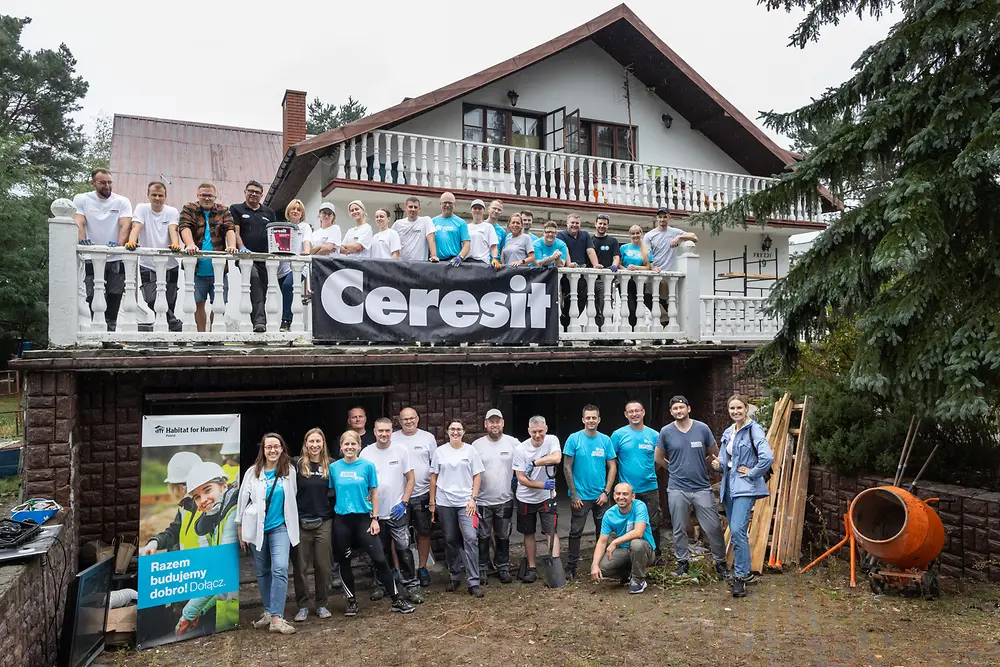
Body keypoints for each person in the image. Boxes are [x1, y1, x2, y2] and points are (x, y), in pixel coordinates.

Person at [329, 431, 416, 615]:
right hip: (342, 521)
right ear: (341, 447)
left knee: (380, 559)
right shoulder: (334, 468)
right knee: (344, 562)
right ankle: (351, 601)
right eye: (346, 445)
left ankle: (396, 599)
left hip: (364, 519)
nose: (350, 447)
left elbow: (374, 492)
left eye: (353, 444)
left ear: (359, 446)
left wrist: (375, 518)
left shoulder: (367, 466)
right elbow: (330, 492)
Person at [654, 396, 729, 579]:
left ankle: (721, 564)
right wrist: (672, 468)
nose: (678, 411)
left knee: (712, 527)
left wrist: (702, 463)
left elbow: (715, 454)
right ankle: (682, 563)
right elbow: (658, 458)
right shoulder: (666, 432)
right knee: (679, 527)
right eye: (675, 409)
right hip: (677, 487)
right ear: (671, 412)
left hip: (701, 487)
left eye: (681, 407)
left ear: (688, 409)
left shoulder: (702, 428)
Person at [236, 433, 300, 635]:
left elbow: (293, 495)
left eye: (276, 446)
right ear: (263, 450)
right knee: (263, 571)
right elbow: (242, 499)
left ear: (282, 449)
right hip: (257, 529)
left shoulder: (289, 470)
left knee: (280, 568)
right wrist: (240, 526)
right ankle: (267, 611)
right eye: (268, 447)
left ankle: (276, 618)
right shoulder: (252, 472)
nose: (272, 450)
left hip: (280, 527)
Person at [714, 394, 773, 598]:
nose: (736, 412)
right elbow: (724, 459)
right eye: (732, 409)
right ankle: (746, 572)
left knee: (738, 529)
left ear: (746, 409)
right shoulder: (729, 431)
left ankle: (740, 577)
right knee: (737, 531)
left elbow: (767, 457)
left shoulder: (754, 429)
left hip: (745, 486)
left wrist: (753, 473)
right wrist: (719, 465)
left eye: (739, 408)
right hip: (728, 485)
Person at [360, 418, 422, 603]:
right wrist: (369, 507)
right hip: (375, 515)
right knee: (379, 552)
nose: (384, 434)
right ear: (374, 431)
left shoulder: (401, 450)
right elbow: (362, 483)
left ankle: (412, 586)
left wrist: (404, 502)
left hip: (397, 511)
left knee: (404, 549)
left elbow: (410, 479)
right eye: (380, 431)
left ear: (391, 431)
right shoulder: (366, 453)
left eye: (387, 430)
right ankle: (382, 585)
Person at [177, 460, 240, 636]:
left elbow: (221, 572)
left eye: (207, 490)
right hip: (225, 609)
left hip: (234, 612)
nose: (203, 500)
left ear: (224, 487)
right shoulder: (212, 520)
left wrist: (188, 614)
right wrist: (200, 609)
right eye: (197, 496)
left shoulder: (231, 514)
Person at [429, 420, 486, 597]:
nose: (455, 432)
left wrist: (473, 498)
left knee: (470, 537)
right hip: (445, 502)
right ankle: (454, 576)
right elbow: (433, 478)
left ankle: (473, 581)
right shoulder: (440, 452)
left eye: (459, 429)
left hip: (465, 502)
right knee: (450, 539)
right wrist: (432, 502)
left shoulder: (470, 451)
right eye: (452, 429)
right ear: (447, 431)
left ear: (464, 432)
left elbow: (477, 476)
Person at [74, 168, 133, 331]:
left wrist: (119, 243)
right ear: (93, 183)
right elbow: (79, 221)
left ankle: (111, 331)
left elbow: (125, 224)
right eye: (102, 183)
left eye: (109, 182)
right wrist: (82, 239)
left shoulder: (122, 201)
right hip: (92, 256)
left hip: (116, 257)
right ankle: (98, 328)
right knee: (93, 294)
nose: (107, 186)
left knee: (115, 294)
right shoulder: (82, 199)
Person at [562, 405, 617, 579]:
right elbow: (566, 467)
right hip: (581, 497)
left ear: (599, 420)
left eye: (594, 418)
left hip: (601, 497)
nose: (591, 421)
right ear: (583, 420)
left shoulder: (605, 440)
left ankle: (601, 564)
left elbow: (612, 466)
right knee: (575, 532)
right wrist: (574, 494)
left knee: (603, 531)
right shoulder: (574, 439)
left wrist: (606, 492)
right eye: (588, 418)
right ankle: (571, 567)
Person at [177, 183, 238, 332]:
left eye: (210, 195)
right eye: (203, 195)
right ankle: (202, 336)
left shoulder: (223, 210)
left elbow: (230, 228)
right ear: (198, 196)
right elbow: (184, 226)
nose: (206, 198)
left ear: (215, 197)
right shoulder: (189, 209)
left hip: (218, 268)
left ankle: (214, 334)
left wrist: (231, 245)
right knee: (198, 303)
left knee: (220, 304)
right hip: (197, 268)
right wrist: (190, 244)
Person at [125, 181, 182, 332]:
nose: (157, 198)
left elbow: (173, 230)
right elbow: (137, 226)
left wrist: (175, 244)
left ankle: (167, 333)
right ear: (148, 195)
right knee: (150, 298)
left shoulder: (171, 211)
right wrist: (131, 241)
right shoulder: (142, 208)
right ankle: (174, 323)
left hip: (170, 264)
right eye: (154, 195)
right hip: (148, 262)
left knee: (169, 301)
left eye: (160, 195)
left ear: (165, 197)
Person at [610, 400, 662, 562]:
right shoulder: (618, 435)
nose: (634, 414)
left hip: (650, 487)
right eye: (631, 411)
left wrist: (649, 472)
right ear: (626, 415)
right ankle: (629, 556)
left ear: (643, 412)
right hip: (627, 490)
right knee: (628, 523)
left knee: (653, 522)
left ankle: (655, 554)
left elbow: (659, 460)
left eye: (637, 411)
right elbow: (611, 460)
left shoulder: (654, 435)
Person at [471, 409, 518, 585]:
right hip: (482, 500)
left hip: (505, 498)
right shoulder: (476, 445)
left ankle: (503, 566)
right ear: (485, 424)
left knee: (503, 535)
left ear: (503, 423)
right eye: (491, 422)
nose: (494, 425)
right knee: (482, 536)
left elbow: (527, 459)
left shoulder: (513, 443)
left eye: (497, 421)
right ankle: (482, 568)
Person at [391, 407, 437, 587]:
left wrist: (433, 497)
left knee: (424, 533)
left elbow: (434, 466)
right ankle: (397, 570)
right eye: (405, 419)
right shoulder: (393, 438)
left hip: (422, 493)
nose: (408, 421)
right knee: (398, 536)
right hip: (399, 497)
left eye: (412, 418)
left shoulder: (428, 438)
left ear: (417, 419)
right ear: (399, 421)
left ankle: (422, 568)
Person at [512, 415, 562, 584]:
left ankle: (554, 566)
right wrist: (542, 485)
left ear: (546, 429)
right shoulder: (520, 449)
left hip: (547, 498)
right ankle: (532, 568)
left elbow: (556, 458)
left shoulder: (551, 440)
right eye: (534, 432)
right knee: (528, 533)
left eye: (541, 431)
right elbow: (521, 479)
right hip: (525, 498)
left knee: (551, 531)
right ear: (528, 431)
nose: (538, 435)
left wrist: (534, 463)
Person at [292, 428, 334, 622]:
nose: (315, 445)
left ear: (323, 443)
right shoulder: (296, 465)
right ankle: (302, 606)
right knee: (300, 566)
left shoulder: (331, 465)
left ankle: (322, 604)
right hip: (300, 521)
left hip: (324, 521)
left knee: (323, 565)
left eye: (318, 441)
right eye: (311, 441)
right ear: (305, 443)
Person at [590, 482, 655, 594]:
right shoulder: (609, 514)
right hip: (625, 551)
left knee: (636, 544)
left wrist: (615, 542)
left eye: (625, 494)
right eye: (618, 494)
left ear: (633, 496)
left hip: (645, 550)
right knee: (602, 567)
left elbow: (638, 532)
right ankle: (628, 574)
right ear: (614, 495)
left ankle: (639, 581)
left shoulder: (640, 506)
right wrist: (594, 564)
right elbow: (602, 542)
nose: (621, 497)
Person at [231, 180, 276, 333]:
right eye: (250, 191)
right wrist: (242, 247)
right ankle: (260, 321)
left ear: (261, 195)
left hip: (265, 258)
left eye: (257, 192)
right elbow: (235, 231)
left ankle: (255, 326)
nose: (253, 194)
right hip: (246, 257)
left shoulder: (269, 212)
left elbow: (274, 234)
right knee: (255, 281)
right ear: (245, 192)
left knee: (262, 290)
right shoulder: (236, 209)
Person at [139, 451, 203, 555]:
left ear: (182, 488)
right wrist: (156, 542)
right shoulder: (185, 506)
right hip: (187, 562)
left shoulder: (206, 508)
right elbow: (174, 532)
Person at [643, 208, 699, 324]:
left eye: (664, 216)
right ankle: (665, 320)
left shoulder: (674, 232)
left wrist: (679, 238)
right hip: (654, 272)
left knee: (663, 301)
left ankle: (664, 330)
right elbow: (646, 253)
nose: (662, 219)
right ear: (657, 218)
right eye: (660, 217)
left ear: (669, 217)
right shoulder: (650, 235)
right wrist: (652, 266)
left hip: (668, 274)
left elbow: (694, 237)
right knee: (647, 298)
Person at [557, 214, 599, 329]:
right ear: (567, 224)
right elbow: (564, 250)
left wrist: (596, 264)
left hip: (582, 273)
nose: (574, 225)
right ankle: (564, 326)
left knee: (582, 299)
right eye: (572, 223)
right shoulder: (561, 235)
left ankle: (570, 324)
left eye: (577, 223)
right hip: (567, 274)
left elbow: (590, 251)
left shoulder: (585, 235)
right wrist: (569, 264)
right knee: (567, 300)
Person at [277, 199, 312, 332]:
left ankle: (285, 321)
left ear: (302, 213)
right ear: (288, 211)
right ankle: (292, 327)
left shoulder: (305, 227)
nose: (296, 211)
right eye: (293, 208)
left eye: (299, 209)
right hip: (282, 268)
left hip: (298, 267)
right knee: (288, 296)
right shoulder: (282, 226)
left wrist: (306, 250)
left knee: (287, 286)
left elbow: (306, 240)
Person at [619, 225, 653, 329]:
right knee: (630, 307)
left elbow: (648, 267)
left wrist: (635, 267)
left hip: (639, 282)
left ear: (641, 234)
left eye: (637, 233)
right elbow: (618, 264)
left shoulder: (646, 249)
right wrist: (626, 270)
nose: (635, 235)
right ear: (630, 235)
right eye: (633, 233)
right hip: (625, 281)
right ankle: (629, 332)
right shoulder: (623, 248)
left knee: (638, 307)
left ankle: (634, 332)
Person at [592, 213, 620, 328]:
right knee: (593, 306)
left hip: (606, 279)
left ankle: (607, 330)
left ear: (607, 226)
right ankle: (598, 333)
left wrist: (614, 265)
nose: (602, 226)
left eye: (604, 224)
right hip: (591, 278)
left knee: (606, 304)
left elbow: (616, 256)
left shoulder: (612, 241)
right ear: (595, 224)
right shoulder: (590, 240)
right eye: (600, 223)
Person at [393, 196, 438, 261]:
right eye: (410, 207)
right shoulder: (398, 224)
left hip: (419, 264)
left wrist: (434, 256)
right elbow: (392, 242)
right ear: (405, 208)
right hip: (402, 264)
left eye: (415, 207)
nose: (413, 209)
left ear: (419, 209)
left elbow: (431, 240)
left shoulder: (426, 221)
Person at [432, 192, 470, 264]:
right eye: (445, 203)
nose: (447, 205)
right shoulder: (432, 222)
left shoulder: (461, 223)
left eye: (450, 203)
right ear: (440, 204)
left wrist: (460, 257)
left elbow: (467, 244)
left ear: (454, 205)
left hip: (453, 262)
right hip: (436, 262)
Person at [466, 199, 500, 266]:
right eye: (475, 208)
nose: (477, 210)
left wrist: (494, 258)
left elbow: (493, 246)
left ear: (483, 211)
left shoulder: (488, 227)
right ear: (471, 211)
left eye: (480, 208)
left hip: (482, 264)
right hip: (466, 263)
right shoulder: (466, 227)